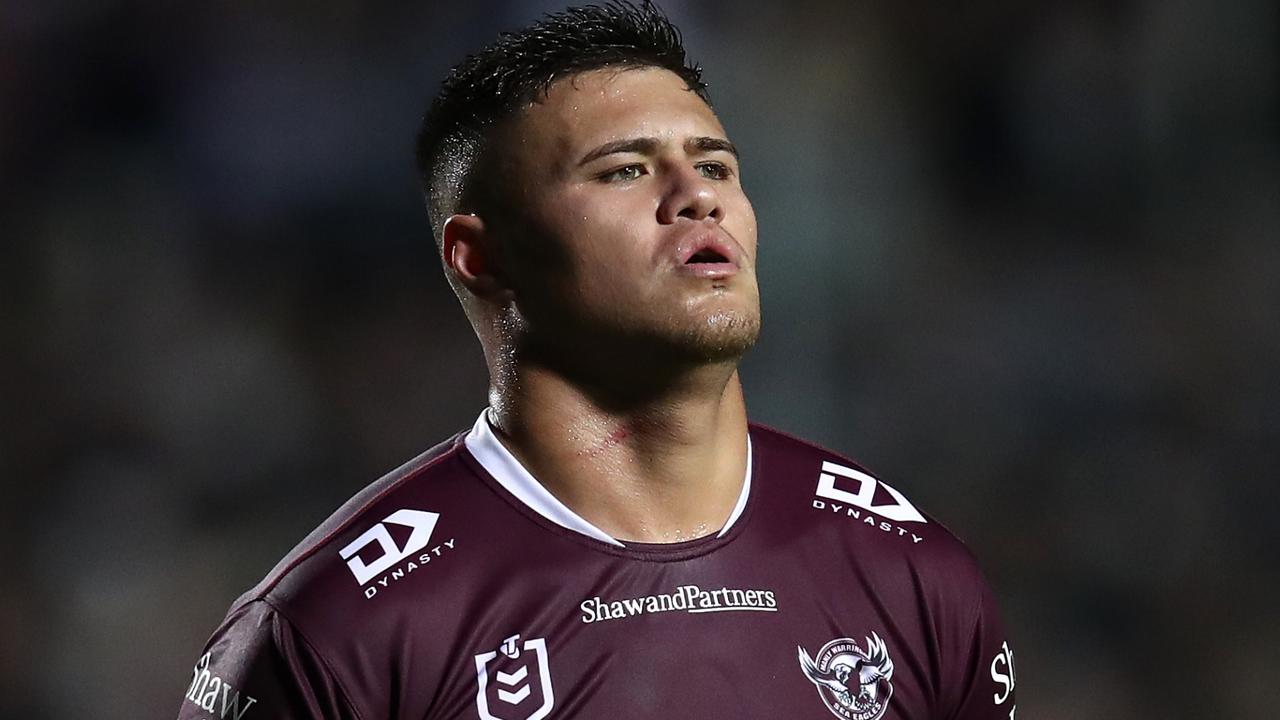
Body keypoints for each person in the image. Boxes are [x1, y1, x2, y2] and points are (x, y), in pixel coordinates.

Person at [177, 3, 1017, 719]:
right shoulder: (342, 629)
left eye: (717, 164)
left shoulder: (908, 571)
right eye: (624, 170)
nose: (697, 194)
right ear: (481, 256)